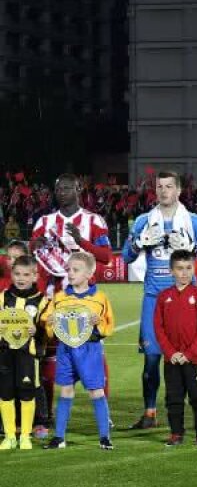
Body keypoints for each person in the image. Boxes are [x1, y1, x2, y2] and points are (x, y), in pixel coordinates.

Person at [122, 171, 197, 430]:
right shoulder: (144, 220)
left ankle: (195, 415)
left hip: (187, 299)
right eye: (159, 187)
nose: (164, 191)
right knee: (152, 359)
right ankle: (150, 413)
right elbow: (125, 257)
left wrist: (193, 247)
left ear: (178, 191)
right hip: (155, 299)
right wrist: (138, 244)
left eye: (168, 187)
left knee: (190, 358)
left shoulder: (194, 221)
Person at [30, 174, 114, 434]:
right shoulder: (45, 221)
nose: (63, 192)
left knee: (93, 353)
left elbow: (106, 257)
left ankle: (104, 413)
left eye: (67, 188)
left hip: (85, 300)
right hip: (53, 298)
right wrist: (37, 243)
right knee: (47, 356)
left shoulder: (93, 221)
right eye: (58, 189)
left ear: (78, 189)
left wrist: (81, 241)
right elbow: (33, 250)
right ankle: (45, 417)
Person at [42, 252, 115, 450]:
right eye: (69, 269)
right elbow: (48, 319)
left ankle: (104, 438)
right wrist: (48, 322)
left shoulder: (99, 298)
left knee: (96, 392)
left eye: (76, 270)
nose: (71, 273)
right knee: (65, 391)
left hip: (89, 350)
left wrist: (98, 323)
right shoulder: (59, 297)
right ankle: (59, 438)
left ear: (89, 273)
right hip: (65, 350)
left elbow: (108, 325)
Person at [153, 250, 197, 447]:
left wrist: (188, 354)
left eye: (188, 268)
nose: (184, 273)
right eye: (180, 268)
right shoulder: (164, 297)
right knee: (174, 398)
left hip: (194, 360)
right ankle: (176, 433)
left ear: (194, 269)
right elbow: (158, 327)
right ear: (171, 271)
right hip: (172, 360)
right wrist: (171, 353)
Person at [0, 255, 47, 450]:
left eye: (26, 275)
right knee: (5, 394)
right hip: (4, 354)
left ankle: (25, 436)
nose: (21, 278)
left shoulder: (42, 300)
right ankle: (10, 435)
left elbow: (47, 330)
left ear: (35, 276)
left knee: (27, 393)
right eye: (17, 274)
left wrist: (38, 331)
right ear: (11, 274)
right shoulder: (3, 297)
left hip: (28, 355)